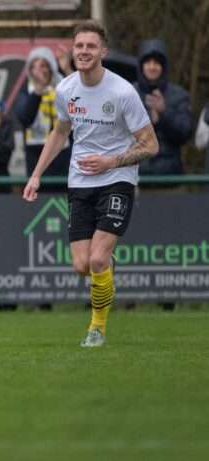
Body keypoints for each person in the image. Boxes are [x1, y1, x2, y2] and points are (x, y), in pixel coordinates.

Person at [22, 21, 157, 348]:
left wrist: (112, 162)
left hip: (117, 179)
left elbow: (150, 145)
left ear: (103, 52)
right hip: (80, 181)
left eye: (91, 46)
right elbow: (59, 133)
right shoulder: (67, 89)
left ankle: (96, 328)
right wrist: (37, 174)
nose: (84, 51)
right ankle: (106, 268)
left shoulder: (123, 92)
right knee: (83, 265)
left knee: (97, 259)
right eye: (79, 46)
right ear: (73, 50)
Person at [134, 39, 192, 176]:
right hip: (136, 177)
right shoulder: (129, 93)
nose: (152, 67)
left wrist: (164, 113)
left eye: (156, 63)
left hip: (170, 178)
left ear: (163, 67)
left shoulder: (179, 95)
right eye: (148, 62)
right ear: (141, 66)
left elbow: (186, 133)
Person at [13, 47, 71, 179]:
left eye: (43, 65)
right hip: (35, 152)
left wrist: (67, 69)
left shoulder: (63, 84)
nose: (38, 71)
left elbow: (81, 101)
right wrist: (38, 91)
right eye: (33, 66)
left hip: (62, 151)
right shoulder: (27, 89)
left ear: (51, 67)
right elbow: (24, 118)